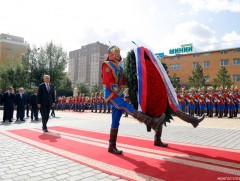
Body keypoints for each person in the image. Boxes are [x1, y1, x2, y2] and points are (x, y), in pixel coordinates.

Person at [102, 46, 166, 155]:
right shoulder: (107, 65)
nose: (118, 54)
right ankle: (151, 122)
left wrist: (136, 78)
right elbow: (109, 82)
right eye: (116, 52)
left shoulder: (119, 67)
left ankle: (111, 146)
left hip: (118, 95)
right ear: (111, 53)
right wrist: (120, 93)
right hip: (111, 95)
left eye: (119, 52)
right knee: (126, 106)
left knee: (115, 120)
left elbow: (123, 81)